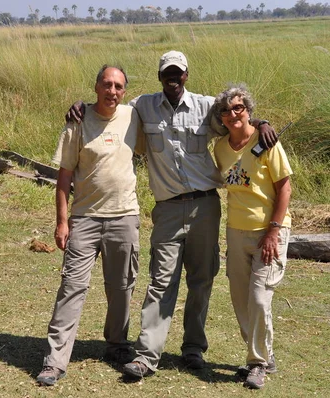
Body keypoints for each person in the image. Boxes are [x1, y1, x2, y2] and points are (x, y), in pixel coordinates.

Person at [66, 51, 279, 379]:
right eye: (168, 73)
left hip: (205, 207)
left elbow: (237, 117)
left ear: (186, 75)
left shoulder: (206, 106)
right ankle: (147, 357)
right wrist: (81, 104)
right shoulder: (142, 106)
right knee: (161, 281)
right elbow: (110, 107)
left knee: (201, 279)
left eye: (178, 73)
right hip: (167, 210)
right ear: (159, 75)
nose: (173, 78)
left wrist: (262, 122)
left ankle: (193, 349)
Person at [36, 65, 143, 387]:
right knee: (72, 287)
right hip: (84, 219)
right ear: (96, 87)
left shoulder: (133, 116)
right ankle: (55, 362)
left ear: (124, 91)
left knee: (122, 287)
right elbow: (64, 176)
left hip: (124, 216)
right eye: (107, 85)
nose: (112, 91)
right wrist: (61, 221)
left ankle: (117, 344)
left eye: (118, 86)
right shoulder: (78, 121)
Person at [212, 84, 292, 390]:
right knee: (240, 299)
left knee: (259, 298)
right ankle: (264, 355)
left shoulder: (266, 141)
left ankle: (257, 363)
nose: (233, 114)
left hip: (269, 231)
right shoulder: (220, 147)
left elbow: (284, 187)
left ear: (248, 110)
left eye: (239, 108)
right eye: (227, 110)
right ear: (220, 117)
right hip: (236, 231)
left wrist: (273, 230)